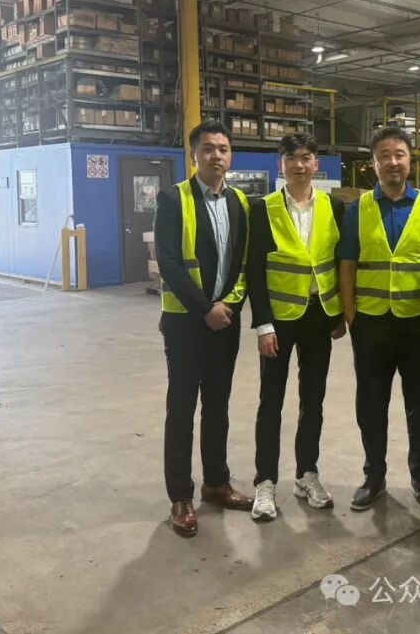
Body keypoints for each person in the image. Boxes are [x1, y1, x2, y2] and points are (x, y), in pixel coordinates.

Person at [338, 126, 420, 513]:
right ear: (373, 164)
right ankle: (374, 477)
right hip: (371, 325)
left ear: (410, 160)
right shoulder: (358, 210)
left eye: (399, 154)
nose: (392, 162)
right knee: (371, 405)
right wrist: (352, 316)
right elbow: (347, 265)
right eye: (384, 156)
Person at [154, 120, 253, 537]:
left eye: (223, 149)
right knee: (181, 409)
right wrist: (204, 309)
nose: (217, 156)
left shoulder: (240, 202)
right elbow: (169, 262)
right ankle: (181, 495)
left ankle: (216, 482)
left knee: (217, 406)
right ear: (194, 155)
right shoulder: (174, 199)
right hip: (185, 323)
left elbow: (244, 261)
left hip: (225, 323)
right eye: (209, 148)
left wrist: (230, 305)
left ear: (231, 156)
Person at [246, 133, 346, 521]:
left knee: (313, 399)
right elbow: (255, 269)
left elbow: (339, 263)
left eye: (306, 157)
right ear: (281, 164)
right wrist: (263, 325)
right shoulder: (264, 208)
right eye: (292, 158)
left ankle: (307, 474)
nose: (299, 165)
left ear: (316, 163)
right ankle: (265, 482)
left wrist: (338, 315)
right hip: (279, 320)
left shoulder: (334, 207)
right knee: (270, 401)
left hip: (319, 317)